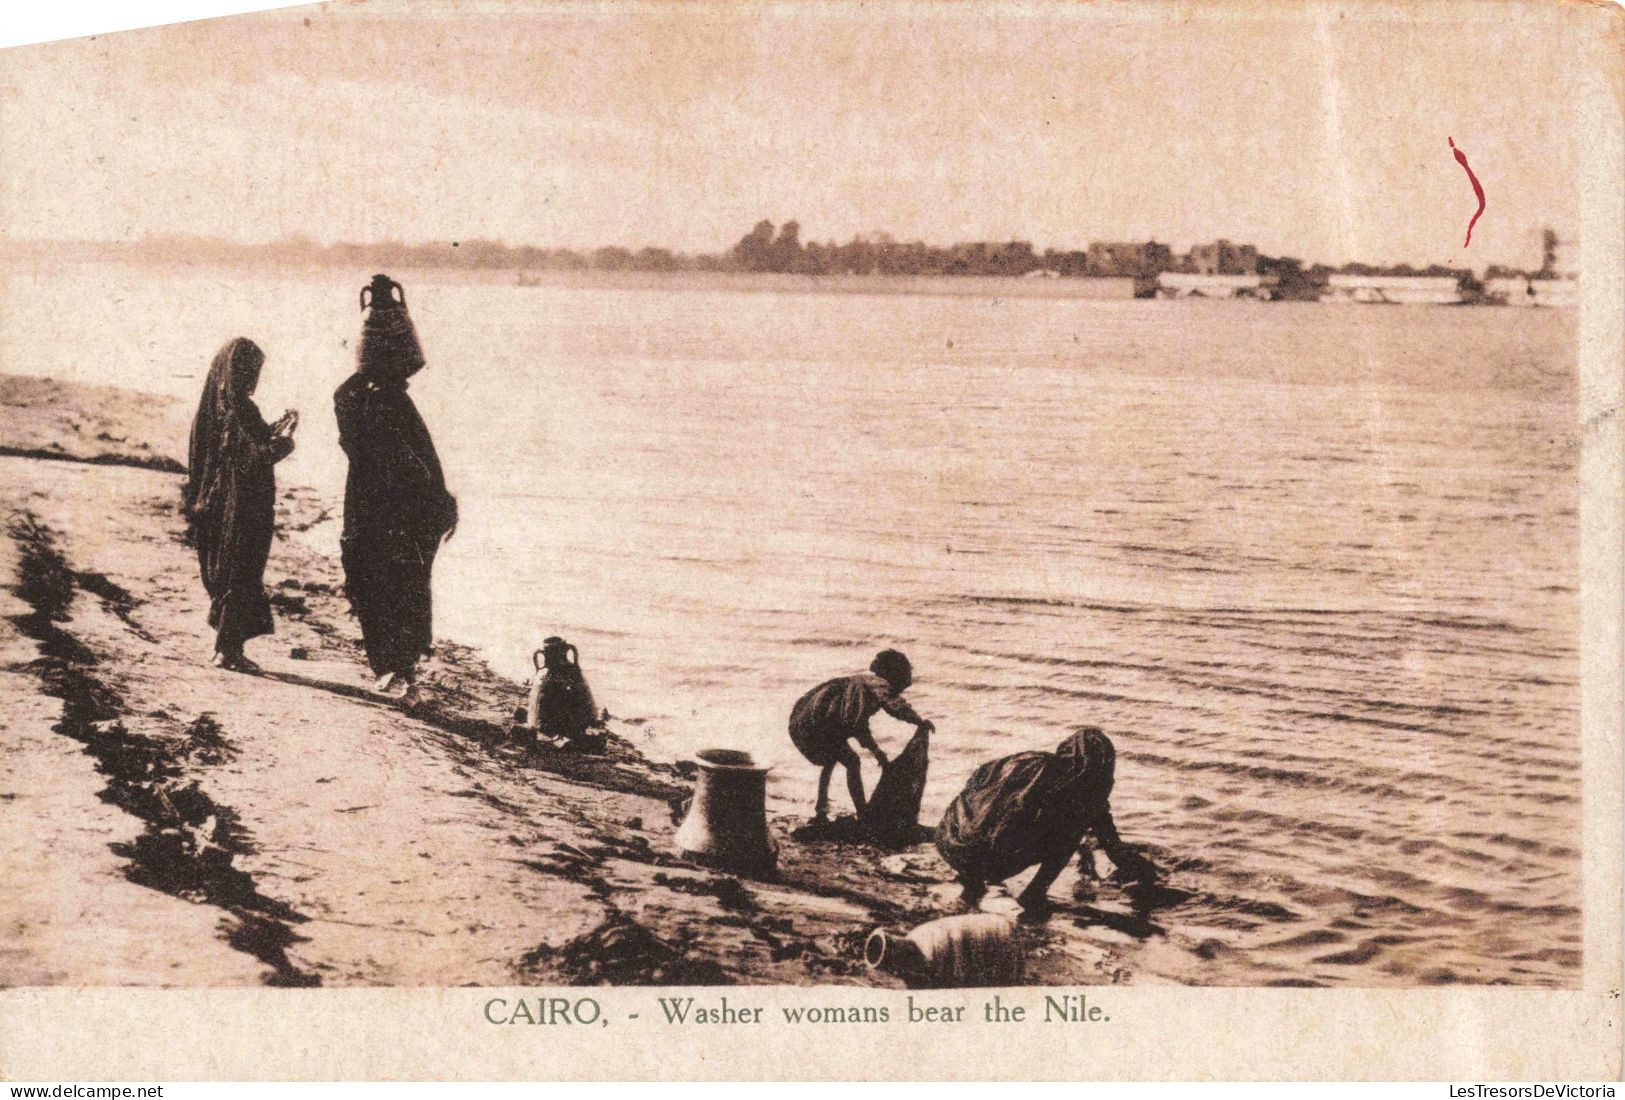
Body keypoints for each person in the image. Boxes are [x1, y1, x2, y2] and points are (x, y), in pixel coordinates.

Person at [334, 274, 458, 706]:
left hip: (384, 515)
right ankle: (394, 670)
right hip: (382, 514)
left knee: (394, 586)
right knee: (387, 585)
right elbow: (407, 463)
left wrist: (437, 499)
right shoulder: (364, 400)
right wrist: (437, 500)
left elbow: (419, 463)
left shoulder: (370, 400)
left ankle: (400, 671)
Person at [935, 726, 1159, 920]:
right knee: (1071, 834)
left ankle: (970, 883)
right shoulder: (1091, 798)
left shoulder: (1028, 760)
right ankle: (1034, 893)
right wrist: (1144, 869)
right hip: (993, 863)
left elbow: (977, 779)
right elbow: (1115, 851)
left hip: (950, 843)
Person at [181, 337, 298, 672]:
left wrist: (275, 427)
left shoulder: (213, 407)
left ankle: (225, 648)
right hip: (244, 506)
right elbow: (254, 458)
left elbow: (237, 446)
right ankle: (227, 652)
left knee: (228, 573)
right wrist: (286, 443)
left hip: (216, 505)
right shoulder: (241, 408)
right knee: (242, 574)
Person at [788, 649, 934, 822]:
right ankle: (861, 813)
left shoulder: (864, 682)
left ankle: (821, 810)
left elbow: (857, 721)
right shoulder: (876, 685)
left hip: (806, 722)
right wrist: (917, 722)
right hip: (813, 723)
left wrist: (878, 751)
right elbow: (880, 714)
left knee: (831, 760)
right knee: (852, 761)